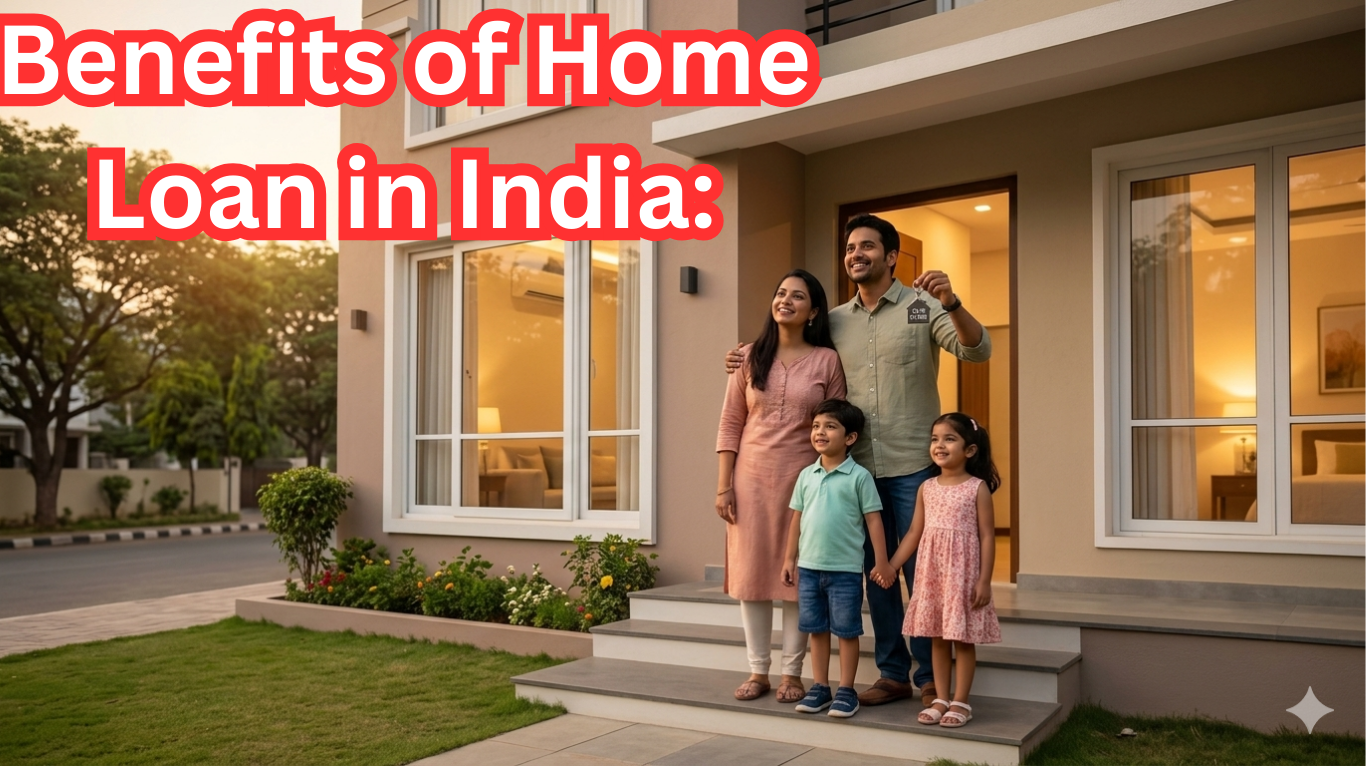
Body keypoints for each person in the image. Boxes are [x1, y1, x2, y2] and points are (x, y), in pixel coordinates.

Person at [726, 213, 991, 708]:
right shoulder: (836, 322)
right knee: (878, 574)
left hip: (914, 463)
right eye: (850, 248)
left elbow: (977, 351)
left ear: (891, 256)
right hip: (859, 472)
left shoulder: (920, 307)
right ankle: (893, 673)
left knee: (920, 570)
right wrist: (747, 354)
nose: (856, 254)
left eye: (867, 246)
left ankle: (930, 671)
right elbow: (793, 354)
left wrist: (951, 303)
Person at [716, 269, 846, 704]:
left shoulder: (827, 360)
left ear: (813, 312)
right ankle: (758, 670)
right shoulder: (749, 357)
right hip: (750, 479)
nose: (785, 300)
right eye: (780, 293)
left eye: (798, 296)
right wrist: (723, 486)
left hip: (806, 482)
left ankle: (792, 673)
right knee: (752, 576)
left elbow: (839, 420)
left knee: (798, 576)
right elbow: (731, 422)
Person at [873, 413, 1002, 728]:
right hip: (932, 576)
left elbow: (987, 535)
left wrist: (984, 581)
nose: (939, 445)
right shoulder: (926, 487)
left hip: (963, 577)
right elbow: (915, 533)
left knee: (963, 639)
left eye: (949, 439)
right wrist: (891, 565)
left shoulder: (976, 488)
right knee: (937, 638)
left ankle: (961, 701)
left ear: (969, 450)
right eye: (934, 439)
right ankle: (941, 698)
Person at [782, 399, 889, 718]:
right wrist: (789, 559)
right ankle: (819, 687)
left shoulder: (859, 477)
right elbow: (795, 519)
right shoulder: (806, 475)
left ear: (850, 438)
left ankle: (846, 690)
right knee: (816, 629)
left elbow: (874, 521)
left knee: (846, 630)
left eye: (830, 426)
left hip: (844, 571)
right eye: (816, 426)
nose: (820, 432)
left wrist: (881, 562)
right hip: (809, 568)